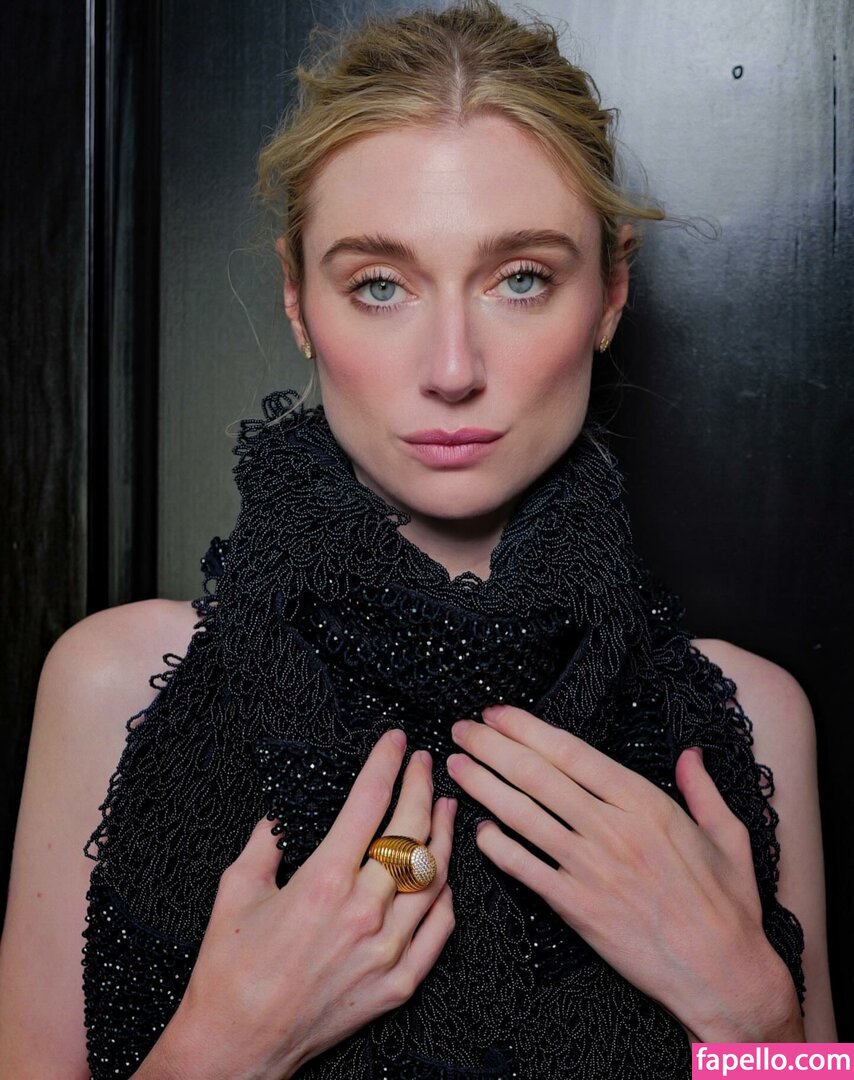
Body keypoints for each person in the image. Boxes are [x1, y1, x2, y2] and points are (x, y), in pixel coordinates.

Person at [0, 2, 836, 1077]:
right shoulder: (111, 686)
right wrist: (225, 1049)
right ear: (298, 301)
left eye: (520, 278)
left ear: (609, 295)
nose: (451, 368)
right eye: (380, 285)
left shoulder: (751, 719)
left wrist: (756, 1020)